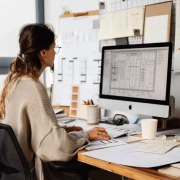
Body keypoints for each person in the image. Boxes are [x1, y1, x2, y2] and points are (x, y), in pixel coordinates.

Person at [0, 23, 110, 180]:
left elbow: (35, 131)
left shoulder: (13, 80)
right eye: (54, 48)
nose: (55, 53)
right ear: (43, 53)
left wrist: (62, 130)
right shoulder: (33, 87)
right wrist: (86, 134)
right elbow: (58, 148)